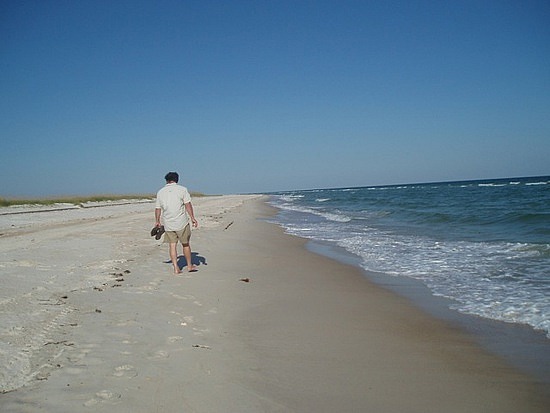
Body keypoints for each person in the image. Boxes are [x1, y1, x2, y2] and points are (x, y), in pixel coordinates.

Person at [155, 171, 199, 274]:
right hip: (181, 222)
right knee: (185, 244)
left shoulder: (160, 192)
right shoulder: (182, 189)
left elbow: (158, 208)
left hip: (168, 223)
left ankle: (176, 268)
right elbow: (188, 205)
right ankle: (189, 266)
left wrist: (157, 221)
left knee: (172, 245)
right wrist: (193, 218)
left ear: (166, 180)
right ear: (177, 180)